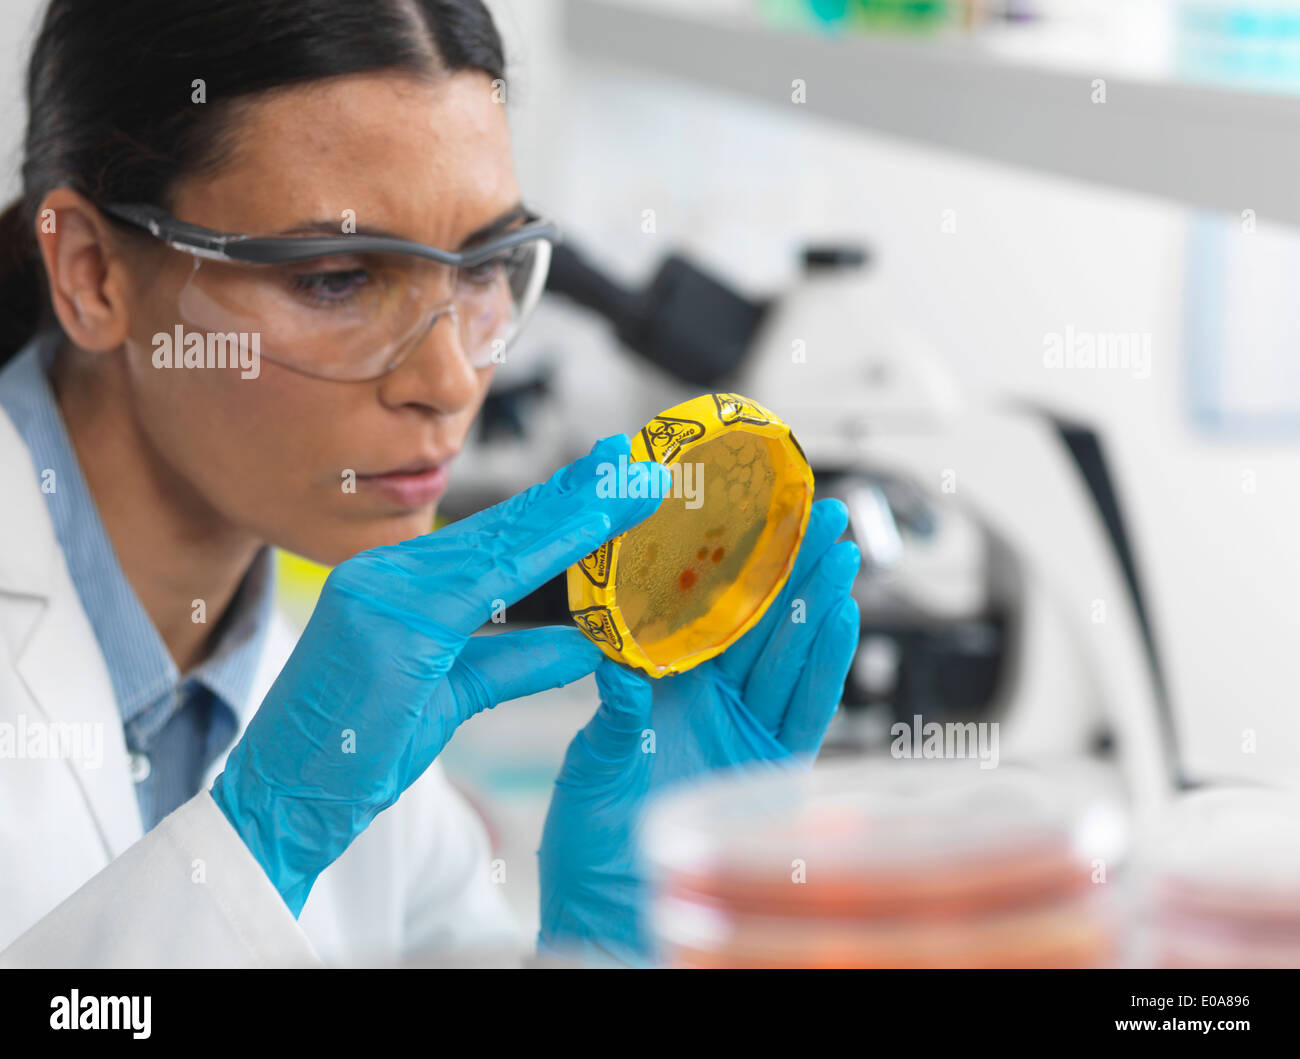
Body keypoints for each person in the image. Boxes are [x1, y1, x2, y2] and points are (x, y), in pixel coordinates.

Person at [0, 0, 861, 968]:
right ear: (90, 275)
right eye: (336, 277)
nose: (451, 381)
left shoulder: (350, 701)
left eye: (486, 264)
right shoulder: (313, 752)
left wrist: (609, 942)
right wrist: (261, 834)